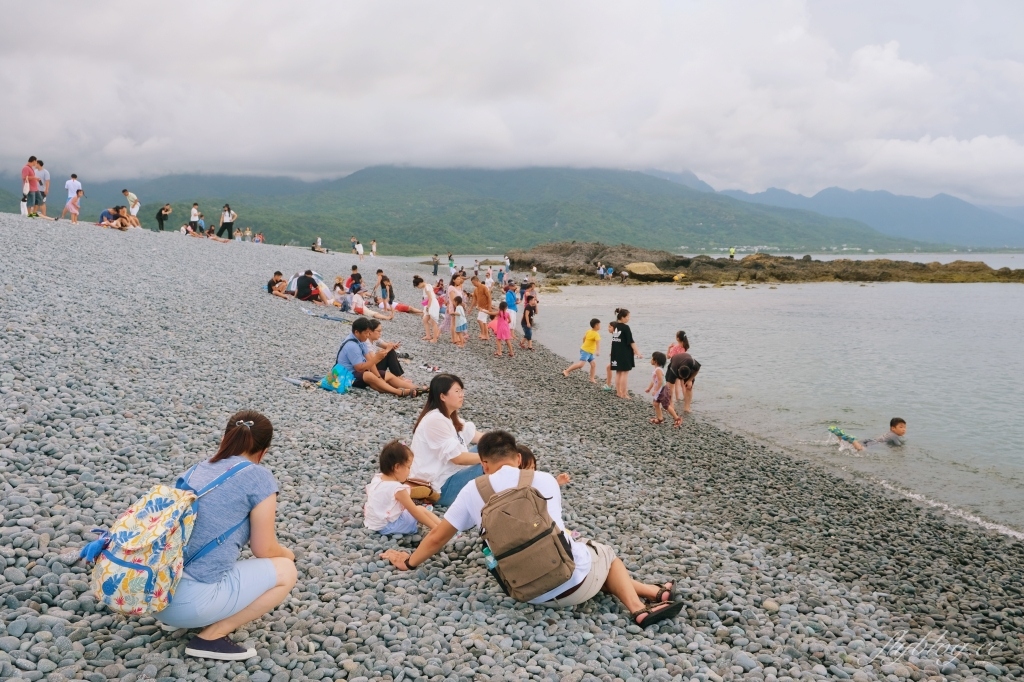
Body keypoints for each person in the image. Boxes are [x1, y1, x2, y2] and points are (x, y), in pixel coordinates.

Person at [381, 430, 684, 627]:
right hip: (573, 581)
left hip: (526, 592)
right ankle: (638, 608)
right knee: (603, 554)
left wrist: (408, 562)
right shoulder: (545, 479)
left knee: (586, 560)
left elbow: (437, 538)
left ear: (484, 464)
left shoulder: (473, 490)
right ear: (518, 458)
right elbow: (557, 532)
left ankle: (655, 592)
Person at [155, 411, 297, 661]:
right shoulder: (259, 477)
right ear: (263, 452)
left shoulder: (196, 470)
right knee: (286, 571)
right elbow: (263, 549)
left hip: (154, 594)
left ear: (226, 439)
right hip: (191, 602)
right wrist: (288, 554)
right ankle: (211, 637)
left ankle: (175, 620)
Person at [407, 374, 484, 506]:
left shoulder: (448, 417)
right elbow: (457, 458)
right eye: (457, 391)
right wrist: (490, 457)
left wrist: (505, 445)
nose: (462, 395)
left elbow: (478, 437)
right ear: (442, 396)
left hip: (451, 475)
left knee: (488, 447)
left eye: (462, 391)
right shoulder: (435, 420)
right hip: (441, 488)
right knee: (491, 463)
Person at [365, 441, 441, 535]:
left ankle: (440, 527)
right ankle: (440, 529)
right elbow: (415, 512)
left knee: (410, 508)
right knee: (420, 509)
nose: (410, 471)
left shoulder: (378, 478)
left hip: (374, 524)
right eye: (408, 467)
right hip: (389, 527)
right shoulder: (398, 489)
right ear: (397, 467)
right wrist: (433, 528)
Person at [335, 317, 420, 397]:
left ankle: (417, 388)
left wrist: (379, 377)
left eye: (369, 332)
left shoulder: (361, 340)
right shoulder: (352, 345)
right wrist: (377, 358)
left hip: (360, 372)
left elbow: (369, 360)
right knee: (369, 376)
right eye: (366, 333)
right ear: (357, 332)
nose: (368, 335)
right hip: (345, 375)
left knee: (386, 375)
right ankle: (399, 392)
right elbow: (359, 368)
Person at [610, 308, 641, 399]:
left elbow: (616, 340)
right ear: (622, 317)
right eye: (627, 317)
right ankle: (624, 393)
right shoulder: (625, 327)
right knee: (624, 373)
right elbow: (631, 341)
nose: (628, 318)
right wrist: (637, 352)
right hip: (624, 353)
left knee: (618, 372)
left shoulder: (615, 326)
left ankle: (618, 392)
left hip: (615, 352)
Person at [664, 351, 701, 426]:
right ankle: (670, 405)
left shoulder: (692, 363)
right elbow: (670, 389)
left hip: (687, 360)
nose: (683, 379)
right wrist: (671, 405)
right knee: (669, 387)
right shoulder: (673, 370)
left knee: (689, 387)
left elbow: (697, 369)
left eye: (684, 378)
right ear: (678, 372)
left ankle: (687, 407)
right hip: (675, 361)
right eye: (681, 378)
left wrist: (690, 380)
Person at [414, 275, 440, 343]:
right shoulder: (427, 285)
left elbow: (430, 298)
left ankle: (435, 339)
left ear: (420, 283)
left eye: (417, 286)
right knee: (425, 320)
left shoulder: (426, 287)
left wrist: (428, 307)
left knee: (434, 322)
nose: (418, 287)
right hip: (430, 304)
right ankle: (428, 335)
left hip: (432, 304)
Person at [646, 352, 670, 425]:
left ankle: (677, 418)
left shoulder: (658, 370)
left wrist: (656, 390)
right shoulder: (656, 369)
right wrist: (649, 388)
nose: (651, 360)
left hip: (662, 389)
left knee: (666, 405)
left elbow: (660, 381)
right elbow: (654, 381)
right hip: (659, 389)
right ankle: (660, 419)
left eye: (652, 358)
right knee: (656, 403)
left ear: (655, 361)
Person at [667, 331, 690, 402]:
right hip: (683, 365)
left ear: (677, 338)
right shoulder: (684, 347)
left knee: (676, 384)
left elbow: (668, 357)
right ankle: (685, 398)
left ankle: (677, 399)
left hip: (675, 366)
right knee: (683, 384)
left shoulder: (675, 347)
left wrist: (668, 348)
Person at [471, 276, 493, 340]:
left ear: (477, 281)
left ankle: (483, 334)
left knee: (479, 320)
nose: (473, 284)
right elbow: (474, 300)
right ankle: (486, 336)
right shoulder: (475, 289)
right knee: (483, 321)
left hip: (485, 307)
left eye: (473, 282)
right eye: (472, 283)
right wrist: (470, 308)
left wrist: (489, 307)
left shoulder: (484, 287)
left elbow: (489, 297)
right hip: (480, 308)